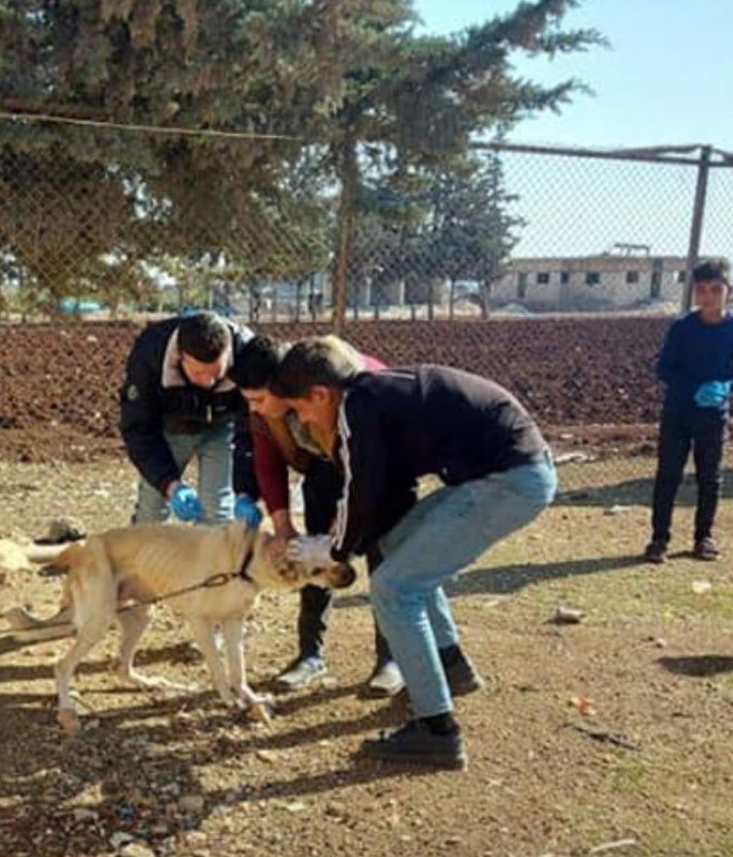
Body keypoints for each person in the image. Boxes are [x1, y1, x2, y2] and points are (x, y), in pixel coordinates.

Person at [273, 340, 555, 768]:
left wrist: (331, 549)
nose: (304, 421)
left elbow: (359, 489)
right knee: (395, 546)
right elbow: (372, 493)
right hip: (504, 473)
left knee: (392, 587)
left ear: (320, 394)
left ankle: (437, 731)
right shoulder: (374, 395)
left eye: (302, 409)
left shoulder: (356, 408)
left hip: (508, 482)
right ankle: (452, 665)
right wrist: (340, 543)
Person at [227, 335, 402, 696]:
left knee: (384, 560)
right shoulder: (268, 411)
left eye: (260, 400)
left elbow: (374, 463)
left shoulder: (339, 388)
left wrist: (349, 520)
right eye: (249, 403)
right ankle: (310, 655)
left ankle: (391, 658)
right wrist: (283, 527)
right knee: (313, 557)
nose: (256, 409)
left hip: (378, 470)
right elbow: (268, 461)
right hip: (324, 470)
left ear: (284, 386)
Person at [645, 258, 733, 563]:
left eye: (715, 289)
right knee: (668, 475)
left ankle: (703, 537)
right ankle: (658, 539)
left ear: (729, 291)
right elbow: (664, 368)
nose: (708, 296)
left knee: (710, 476)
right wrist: (692, 388)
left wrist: (725, 387)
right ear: (694, 293)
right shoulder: (682, 328)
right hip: (678, 412)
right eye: (702, 290)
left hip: (713, 415)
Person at [119, 311, 261, 527]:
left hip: (223, 427)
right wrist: (170, 485)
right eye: (197, 373)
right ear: (180, 356)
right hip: (170, 429)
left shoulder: (247, 353)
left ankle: (208, 560)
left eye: (216, 373)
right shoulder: (150, 352)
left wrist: (246, 492)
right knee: (151, 514)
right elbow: (139, 429)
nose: (207, 382)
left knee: (219, 514)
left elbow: (250, 430)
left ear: (228, 353)